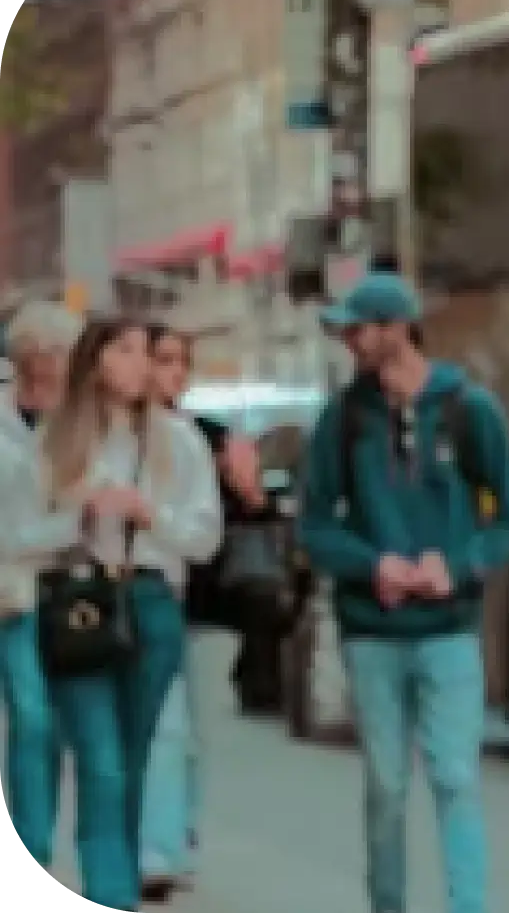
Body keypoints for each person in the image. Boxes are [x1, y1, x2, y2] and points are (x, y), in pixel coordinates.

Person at [297, 272, 509, 913]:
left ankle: (468, 906)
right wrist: (372, 565)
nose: (350, 340)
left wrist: (456, 565)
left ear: (399, 329)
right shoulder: (345, 419)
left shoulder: (468, 410)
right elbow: (314, 524)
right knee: (386, 785)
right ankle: (389, 904)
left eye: (361, 328)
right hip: (372, 630)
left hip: (449, 626)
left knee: (456, 778)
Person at [34, 316, 223, 910]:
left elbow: (205, 538)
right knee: (101, 762)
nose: (141, 363)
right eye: (126, 350)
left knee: (136, 760)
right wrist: (79, 514)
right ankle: (109, 893)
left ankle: (117, 885)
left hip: (151, 602)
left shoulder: (181, 441)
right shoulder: (57, 440)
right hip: (80, 605)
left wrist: (149, 515)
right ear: (96, 361)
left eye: (146, 351)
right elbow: (19, 531)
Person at [138, 323, 250, 899]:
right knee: (161, 725)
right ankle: (155, 840)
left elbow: (243, 524)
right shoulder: (121, 435)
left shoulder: (209, 436)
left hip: (209, 603)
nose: (172, 373)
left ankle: (180, 834)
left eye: (180, 363)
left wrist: (249, 490)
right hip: (153, 598)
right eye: (162, 360)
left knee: (195, 732)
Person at [0, 301, 85, 874]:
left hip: (36, 597)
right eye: (56, 353)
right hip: (11, 585)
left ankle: (35, 845)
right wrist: (65, 527)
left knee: (36, 719)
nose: (62, 365)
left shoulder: (77, 428)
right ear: (30, 357)